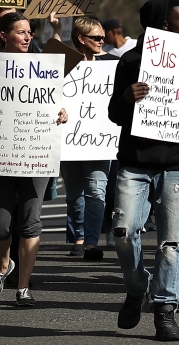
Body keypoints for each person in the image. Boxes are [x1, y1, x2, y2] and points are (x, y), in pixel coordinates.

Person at [0, 13, 69, 307]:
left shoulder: (43, 66)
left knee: (30, 222)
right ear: (3, 35)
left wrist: (63, 112)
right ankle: (4, 264)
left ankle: (23, 287)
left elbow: (61, 99)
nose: (28, 36)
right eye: (21, 32)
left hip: (34, 154)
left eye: (30, 32)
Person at [108, 0, 179, 341]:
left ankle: (165, 310)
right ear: (164, 25)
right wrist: (126, 98)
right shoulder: (130, 61)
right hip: (135, 164)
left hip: (176, 165)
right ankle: (137, 286)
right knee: (123, 231)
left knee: (170, 244)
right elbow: (114, 114)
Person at [57, 16, 117, 262]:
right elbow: (48, 94)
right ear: (81, 39)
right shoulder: (63, 65)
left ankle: (91, 243)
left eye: (102, 37)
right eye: (96, 37)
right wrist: (59, 109)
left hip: (100, 142)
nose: (102, 41)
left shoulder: (111, 66)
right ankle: (79, 237)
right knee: (74, 195)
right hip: (69, 141)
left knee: (96, 192)